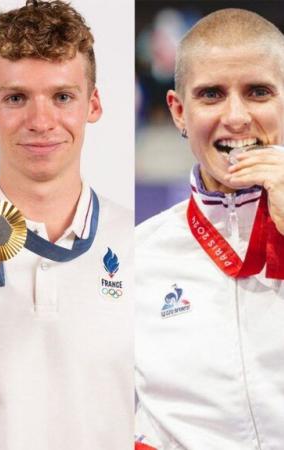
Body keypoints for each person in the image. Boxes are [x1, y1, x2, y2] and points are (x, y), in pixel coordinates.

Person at [0, 1, 133, 449]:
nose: (41, 122)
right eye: (16, 98)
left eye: (62, 96)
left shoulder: (143, 244)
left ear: (93, 104)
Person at [134, 8, 284, 450]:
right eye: (212, 94)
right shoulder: (135, 257)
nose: (235, 117)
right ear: (180, 113)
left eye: (257, 91)